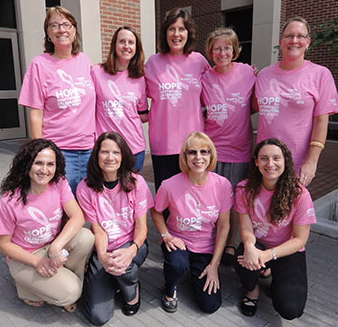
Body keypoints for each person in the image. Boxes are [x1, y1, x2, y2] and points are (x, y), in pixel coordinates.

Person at [0, 139, 94, 312]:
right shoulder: (10, 200)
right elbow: (2, 244)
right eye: (38, 163)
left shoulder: (59, 183)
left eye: (50, 164)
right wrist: (37, 262)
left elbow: (77, 216)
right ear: (27, 164)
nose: (44, 170)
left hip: (51, 247)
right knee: (71, 293)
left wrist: (56, 246)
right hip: (26, 257)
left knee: (86, 238)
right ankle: (27, 290)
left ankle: (60, 280)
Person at [150, 132, 233, 314]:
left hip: (206, 247)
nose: (198, 157)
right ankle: (170, 289)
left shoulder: (223, 185)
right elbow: (156, 211)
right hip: (178, 241)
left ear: (211, 155)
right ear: (184, 157)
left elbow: (224, 226)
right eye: (192, 152)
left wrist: (214, 265)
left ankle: (198, 271)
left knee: (210, 306)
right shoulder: (170, 185)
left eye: (204, 152)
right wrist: (166, 236)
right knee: (177, 264)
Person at [76, 131, 153, 326]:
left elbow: (142, 228)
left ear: (123, 156)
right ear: (96, 156)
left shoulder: (136, 183)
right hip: (103, 249)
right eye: (104, 152)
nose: (110, 157)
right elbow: (98, 230)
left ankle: (132, 293)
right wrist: (102, 256)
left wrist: (130, 251)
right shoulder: (85, 188)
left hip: (133, 244)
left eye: (116, 152)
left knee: (124, 267)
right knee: (98, 317)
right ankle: (114, 277)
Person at [234, 138, 316, 319]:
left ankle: (273, 275)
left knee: (290, 309)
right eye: (264, 158)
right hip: (259, 244)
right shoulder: (244, 189)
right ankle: (252, 290)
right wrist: (249, 246)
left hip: (288, 250)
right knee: (243, 260)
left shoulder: (299, 194)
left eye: (276, 158)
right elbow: (246, 227)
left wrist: (267, 256)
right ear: (256, 161)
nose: (270, 164)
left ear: (285, 161)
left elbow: (300, 240)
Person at [18, 6, 96, 195]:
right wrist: (39, 153)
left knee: (85, 206)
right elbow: (35, 114)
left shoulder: (84, 60)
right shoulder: (39, 64)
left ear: (74, 29)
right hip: (59, 152)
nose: (61, 29)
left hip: (89, 150)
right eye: (54, 25)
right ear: (48, 33)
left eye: (66, 24)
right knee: (59, 207)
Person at [254, 17, 338, 187]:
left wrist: (312, 161)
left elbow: (321, 121)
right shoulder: (264, 75)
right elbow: (252, 107)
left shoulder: (321, 75)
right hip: (264, 162)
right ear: (281, 41)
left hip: (296, 164)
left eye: (300, 36)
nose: (294, 40)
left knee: (290, 211)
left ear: (308, 42)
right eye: (289, 36)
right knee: (261, 209)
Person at [202, 27, 256, 265]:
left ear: (235, 50)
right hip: (211, 150)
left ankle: (231, 245)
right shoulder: (205, 77)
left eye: (227, 48)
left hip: (239, 149)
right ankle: (211, 240)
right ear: (210, 51)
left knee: (235, 201)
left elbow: (253, 104)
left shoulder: (247, 73)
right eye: (217, 48)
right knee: (212, 199)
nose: (222, 52)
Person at [145, 8, 210, 192]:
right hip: (163, 143)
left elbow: (217, 87)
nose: (176, 34)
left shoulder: (199, 61)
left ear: (188, 33)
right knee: (166, 197)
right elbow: (133, 88)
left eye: (181, 29)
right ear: (165, 33)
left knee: (193, 194)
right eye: (171, 29)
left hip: (193, 143)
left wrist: (245, 71)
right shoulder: (153, 63)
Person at [92, 26, 148, 172]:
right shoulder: (96, 72)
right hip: (106, 151)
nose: (126, 46)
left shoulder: (139, 77)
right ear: (114, 45)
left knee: (131, 193)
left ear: (136, 48)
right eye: (122, 41)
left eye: (131, 42)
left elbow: (142, 115)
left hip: (134, 149)